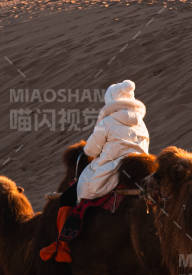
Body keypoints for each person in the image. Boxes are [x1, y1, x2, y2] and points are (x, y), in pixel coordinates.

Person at [40, 80, 149, 263]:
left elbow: (90, 150)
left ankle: (62, 245)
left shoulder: (107, 122)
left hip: (111, 170)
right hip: (137, 170)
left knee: (71, 194)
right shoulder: (141, 125)